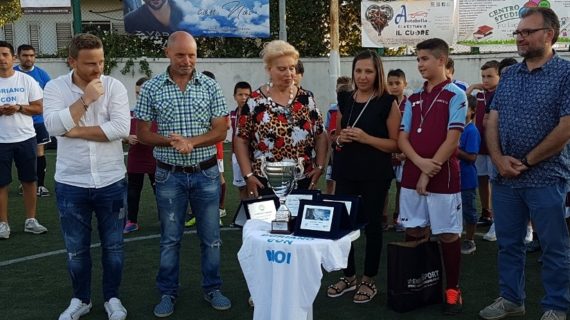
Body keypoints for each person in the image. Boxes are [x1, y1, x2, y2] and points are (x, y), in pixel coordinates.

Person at [479, 8, 570, 320]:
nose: (519, 37)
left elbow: (566, 128)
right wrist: (498, 159)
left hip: (546, 177)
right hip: (505, 178)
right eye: (518, 32)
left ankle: (557, 306)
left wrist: (527, 161)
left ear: (549, 34)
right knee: (508, 245)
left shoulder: (566, 74)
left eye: (527, 32)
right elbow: (493, 120)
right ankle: (511, 300)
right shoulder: (511, 75)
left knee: (554, 248)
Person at [134, 31, 231, 317]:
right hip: (168, 176)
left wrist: (191, 142)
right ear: (167, 53)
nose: (187, 60)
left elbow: (221, 130)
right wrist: (171, 142)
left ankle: (212, 287)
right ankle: (167, 292)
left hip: (207, 173)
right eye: (180, 55)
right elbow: (142, 133)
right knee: (170, 238)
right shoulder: (152, 88)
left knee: (211, 237)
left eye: (191, 54)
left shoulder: (210, 86)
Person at [44, 33, 130, 320]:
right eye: (90, 63)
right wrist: (85, 99)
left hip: (111, 180)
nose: (98, 69)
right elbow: (54, 125)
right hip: (71, 182)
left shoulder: (115, 86)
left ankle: (113, 298)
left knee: (114, 247)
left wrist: (76, 130)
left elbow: (119, 128)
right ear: (72, 61)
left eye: (101, 61)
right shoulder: (55, 88)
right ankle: (81, 299)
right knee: (76, 251)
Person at [398, 38, 467, 314]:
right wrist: (419, 164)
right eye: (418, 59)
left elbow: (453, 139)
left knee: (448, 235)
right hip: (412, 174)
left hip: (444, 178)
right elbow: (402, 138)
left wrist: (430, 169)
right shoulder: (412, 98)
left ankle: (452, 290)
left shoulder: (456, 94)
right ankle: (416, 286)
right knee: (413, 230)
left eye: (424, 58)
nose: (420, 64)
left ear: (441, 60)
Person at [326, 50, 400, 304]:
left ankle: (369, 279)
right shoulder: (345, 97)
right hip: (346, 169)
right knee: (344, 225)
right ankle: (348, 276)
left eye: (368, 71)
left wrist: (366, 138)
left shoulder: (387, 102)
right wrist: (341, 138)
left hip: (374, 173)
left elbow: (395, 145)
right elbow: (336, 134)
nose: (363, 76)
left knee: (371, 228)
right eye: (358, 71)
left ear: (377, 72)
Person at [234, 40, 327, 198]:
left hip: (302, 178)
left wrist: (319, 166)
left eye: (292, 68)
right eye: (282, 69)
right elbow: (240, 140)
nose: (288, 73)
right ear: (269, 69)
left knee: (298, 222)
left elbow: (320, 134)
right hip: (264, 181)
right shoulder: (254, 102)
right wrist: (248, 176)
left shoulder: (306, 99)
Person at [0, 41, 47, 240]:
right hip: (1, 141)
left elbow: (39, 107)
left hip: (26, 138)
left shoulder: (26, 81)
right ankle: (3, 224)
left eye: (5, 54)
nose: (1, 59)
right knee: (1, 184)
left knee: (29, 181)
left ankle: (31, 220)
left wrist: (18, 108)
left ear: (13, 58)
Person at [481, 57, 518, 243]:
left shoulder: (527, 92)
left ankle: (528, 228)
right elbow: (486, 122)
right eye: (505, 74)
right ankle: (496, 224)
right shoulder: (497, 96)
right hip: (499, 153)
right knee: (497, 187)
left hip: (523, 155)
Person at [14, 44, 52, 197]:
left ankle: (40, 186)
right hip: (18, 122)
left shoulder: (42, 75)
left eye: (31, 55)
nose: (28, 58)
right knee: (21, 154)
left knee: (39, 152)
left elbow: (50, 96)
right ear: (17, 56)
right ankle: (25, 184)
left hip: (38, 121)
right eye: (25, 55)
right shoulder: (12, 74)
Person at [466, 60, 500, 228]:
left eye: (490, 76)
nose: (485, 80)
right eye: (483, 76)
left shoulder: (501, 93)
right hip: (479, 145)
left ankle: (495, 215)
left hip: (494, 146)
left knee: (495, 181)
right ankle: (486, 212)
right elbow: (464, 101)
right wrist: (472, 86)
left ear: (500, 76)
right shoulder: (478, 95)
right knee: (482, 178)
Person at [123, 77, 157, 234]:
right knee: (133, 190)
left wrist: (152, 138)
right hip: (135, 157)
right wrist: (127, 137)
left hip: (155, 156)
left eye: (142, 92)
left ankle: (166, 218)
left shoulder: (159, 111)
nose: (139, 95)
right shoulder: (130, 112)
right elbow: (120, 131)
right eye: (137, 93)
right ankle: (131, 220)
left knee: (160, 190)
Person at [385, 68, 407, 231]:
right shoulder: (383, 103)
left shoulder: (411, 103)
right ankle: (383, 218)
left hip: (404, 154)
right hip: (386, 152)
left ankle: (398, 217)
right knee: (383, 186)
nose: (394, 87)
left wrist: (404, 152)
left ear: (404, 84)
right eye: (390, 83)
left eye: (397, 83)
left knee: (402, 187)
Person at [459, 95, 481, 254]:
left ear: (473, 111)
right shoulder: (455, 127)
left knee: (468, 210)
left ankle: (470, 240)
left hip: (466, 178)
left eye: (465, 107)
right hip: (453, 178)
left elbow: (472, 157)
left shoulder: (472, 131)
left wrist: (454, 150)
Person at [324, 76, 351, 195]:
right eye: (340, 91)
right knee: (330, 179)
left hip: (348, 153)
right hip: (335, 150)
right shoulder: (332, 110)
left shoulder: (353, 108)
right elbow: (328, 132)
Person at [229, 81, 252, 200]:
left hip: (252, 155)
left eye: (247, 95)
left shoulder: (254, 114)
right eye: (240, 95)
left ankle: (255, 215)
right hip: (236, 156)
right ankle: (244, 213)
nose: (244, 98)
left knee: (252, 186)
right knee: (241, 187)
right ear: (234, 96)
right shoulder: (232, 114)